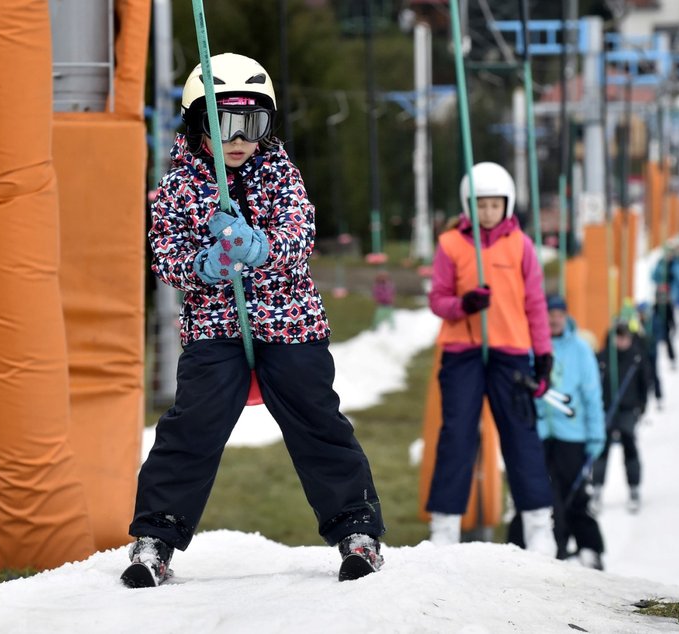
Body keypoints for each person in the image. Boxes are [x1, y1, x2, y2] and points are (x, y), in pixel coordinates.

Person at [124, 53, 385, 587]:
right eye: (225, 124)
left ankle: (356, 530)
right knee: (190, 425)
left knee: (316, 418)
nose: (240, 138)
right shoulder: (178, 187)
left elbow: (299, 235)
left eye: (254, 124)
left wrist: (259, 246)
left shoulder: (281, 175)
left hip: (288, 319)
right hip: (216, 326)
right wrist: (204, 265)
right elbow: (165, 257)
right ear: (198, 123)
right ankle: (157, 535)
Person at [426, 161, 556, 553]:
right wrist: (463, 304)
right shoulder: (451, 244)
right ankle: (445, 525)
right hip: (463, 352)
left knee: (521, 436)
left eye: (494, 205)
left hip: (510, 352)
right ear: (468, 205)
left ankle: (538, 524)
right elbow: (437, 300)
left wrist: (543, 354)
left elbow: (535, 304)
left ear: (508, 204)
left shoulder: (521, 246)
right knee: (458, 435)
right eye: (480, 205)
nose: (487, 213)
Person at [535, 295, 606, 570]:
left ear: (565, 317)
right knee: (540, 496)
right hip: (541, 434)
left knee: (574, 494)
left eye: (558, 314)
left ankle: (591, 549)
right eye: (548, 314)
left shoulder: (580, 350)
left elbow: (591, 395)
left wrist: (595, 435)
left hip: (572, 436)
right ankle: (549, 547)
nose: (553, 319)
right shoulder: (534, 345)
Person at [591, 322, 651, 514]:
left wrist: (641, 406)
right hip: (606, 409)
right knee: (602, 450)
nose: (621, 341)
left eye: (625, 337)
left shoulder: (636, 357)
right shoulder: (603, 358)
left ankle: (634, 488)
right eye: (618, 336)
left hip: (627, 410)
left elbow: (645, 382)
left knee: (629, 447)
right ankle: (597, 488)